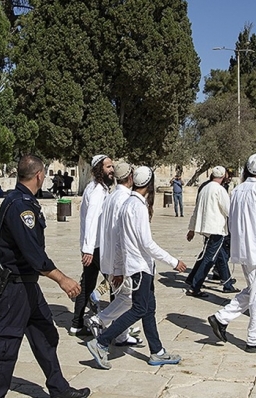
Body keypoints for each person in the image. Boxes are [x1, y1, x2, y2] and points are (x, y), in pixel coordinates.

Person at [0, 156, 89, 398]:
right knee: (5, 345)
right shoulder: (20, 206)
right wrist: (62, 279)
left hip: (28, 286)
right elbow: (33, 253)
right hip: (15, 287)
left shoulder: (20, 200)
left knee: (45, 335)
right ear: (39, 175)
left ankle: (59, 389)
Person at [86, 166, 187, 369]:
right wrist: (173, 261)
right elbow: (147, 244)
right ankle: (101, 342)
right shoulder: (137, 207)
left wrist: (118, 269)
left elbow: (120, 242)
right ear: (150, 184)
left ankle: (157, 351)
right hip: (140, 267)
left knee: (149, 309)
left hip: (138, 267)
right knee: (139, 308)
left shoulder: (127, 204)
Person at [207, 154, 256, 353]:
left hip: (243, 248)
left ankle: (221, 318)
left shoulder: (237, 190)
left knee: (254, 290)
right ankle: (255, 339)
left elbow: (232, 220)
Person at [85, 162, 142, 346]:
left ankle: (122, 335)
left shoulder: (110, 196)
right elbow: (121, 234)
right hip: (120, 259)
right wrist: (121, 265)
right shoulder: (124, 199)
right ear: (131, 177)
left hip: (107, 256)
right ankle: (100, 319)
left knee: (119, 296)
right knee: (129, 299)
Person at [69, 154, 114, 336]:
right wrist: (88, 249)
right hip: (97, 247)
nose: (112, 170)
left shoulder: (99, 188)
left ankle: (76, 324)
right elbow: (91, 220)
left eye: (112, 166)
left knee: (87, 285)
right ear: (98, 169)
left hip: (93, 246)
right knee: (116, 283)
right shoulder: (96, 191)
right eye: (108, 167)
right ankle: (115, 326)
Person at [185, 166, 236, 296]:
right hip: (216, 229)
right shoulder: (219, 190)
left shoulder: (205, 188)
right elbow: (228, 210)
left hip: (207, 228)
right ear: (223, 176)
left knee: (214, 255)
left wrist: (192, 228)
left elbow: (197, 209)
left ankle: (226, 284)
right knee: (210, 258)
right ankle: (195, 286)